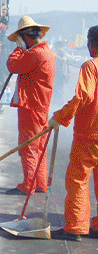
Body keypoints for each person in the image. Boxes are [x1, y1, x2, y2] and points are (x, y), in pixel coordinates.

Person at [47, 25, 98, 241]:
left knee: (78, 180)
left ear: (92, 43)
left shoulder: (91, 66)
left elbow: (83, 96)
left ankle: (76, 227)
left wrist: (59, 117)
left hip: (90, 135)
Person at [5, 16, 54, 195]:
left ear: (26, 38)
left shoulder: (35, 54)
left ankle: (28, 186)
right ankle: (39, 183)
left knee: (28, 147)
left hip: (31, 107)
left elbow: (13, 66)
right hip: (41, 107)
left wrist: (18, 49)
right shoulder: (46, 52)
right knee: (39, 147)